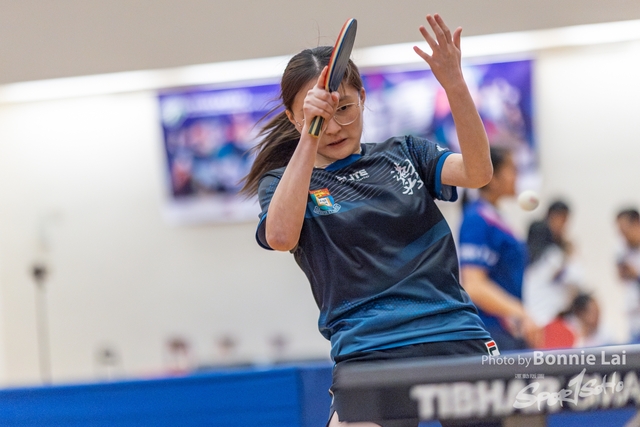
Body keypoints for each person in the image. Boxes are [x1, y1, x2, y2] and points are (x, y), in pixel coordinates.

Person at [243, 14, 497, 427]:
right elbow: (281, 236)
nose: (335, 127)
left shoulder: (406, 153)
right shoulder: (284, 183)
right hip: (369, 351)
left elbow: (478, 172)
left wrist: (454, 85)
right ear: (294, 118)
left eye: (344, 108)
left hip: (454, 335)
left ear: (362, 97)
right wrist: (310, 134)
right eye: (321, 115)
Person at [458, 147, 542, 352]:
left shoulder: (496, 217)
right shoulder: (476, 219)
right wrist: (520, 312)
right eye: (512, 168)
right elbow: (474, 285)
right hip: (490, 332)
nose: (517, 175)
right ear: (492, 177)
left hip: (508, 330)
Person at [523, 200, 585, 328]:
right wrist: (571, 254)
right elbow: (577, 278)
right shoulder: (553, 256)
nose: (562, 226)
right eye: (560, 219)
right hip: (547, 320)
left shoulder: (528, 258)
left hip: (535, 320)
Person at [615, 208, 640, 342]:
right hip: (634, 320)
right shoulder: (622, 250)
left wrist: (636, 274)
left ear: (637, 224)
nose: (623, 237)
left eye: (624, 231)